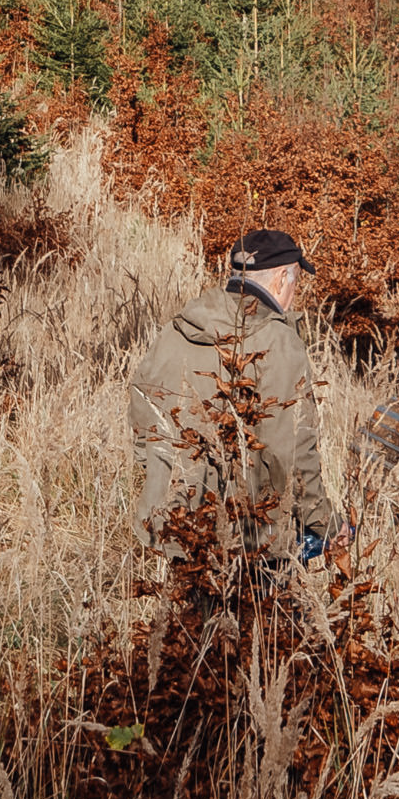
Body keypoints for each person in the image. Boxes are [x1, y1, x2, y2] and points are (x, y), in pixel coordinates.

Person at [133, 223, 334, 563]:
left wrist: (161, 476)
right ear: (282, 279)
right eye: (295, 282)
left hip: (170, 523)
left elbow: (143, 413)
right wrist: (325, 524)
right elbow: (293, 453)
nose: (294, 293)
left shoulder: (177, 328)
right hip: (247, 538)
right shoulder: (279, 342)